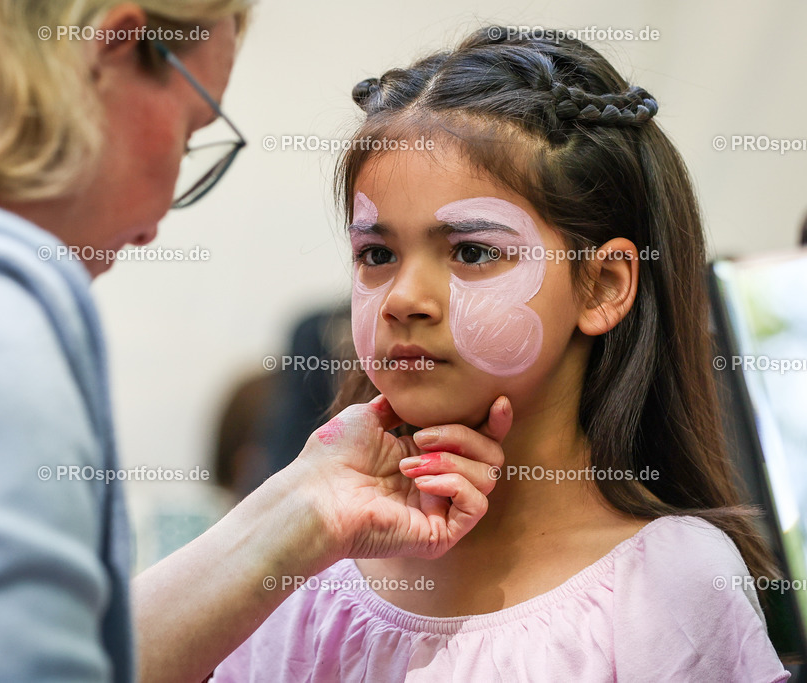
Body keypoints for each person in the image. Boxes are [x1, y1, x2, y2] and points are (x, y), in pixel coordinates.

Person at [0, 2, 511, 681]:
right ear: (116, 47)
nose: (163, 213)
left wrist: (305, 507)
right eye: (194, 132)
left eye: (473, 253)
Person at [211, 27, 792, 681]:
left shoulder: (669, 583)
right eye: (377, 254)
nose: (404, 298)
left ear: (601, 286)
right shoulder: (309, 575)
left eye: (472, 251)